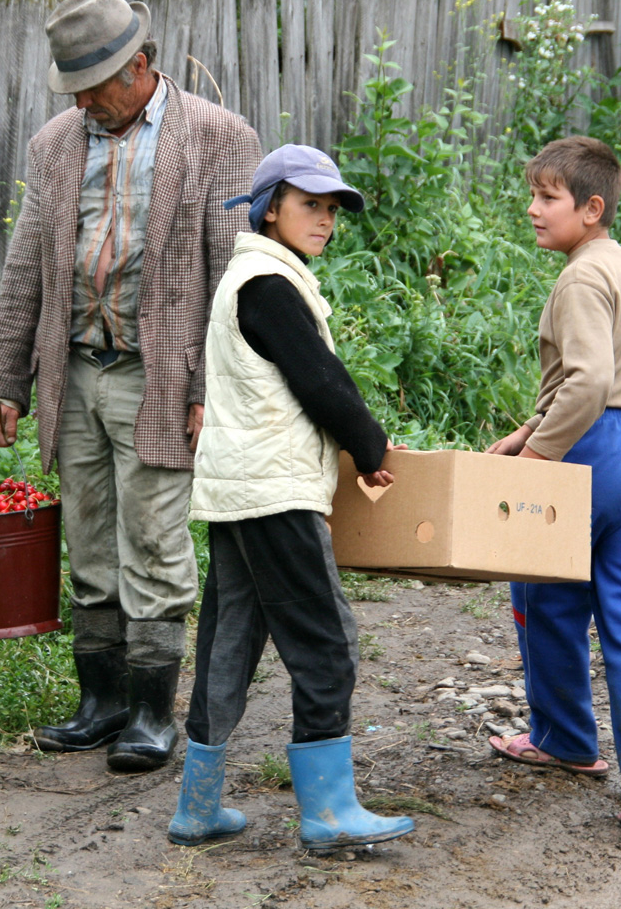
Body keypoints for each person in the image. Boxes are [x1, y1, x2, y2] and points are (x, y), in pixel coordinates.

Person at [0, 0, 261, 772]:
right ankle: (99, 701)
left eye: (97, 86)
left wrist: (211, 386)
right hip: (74, 367)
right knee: (89, 540)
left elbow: (234, 276)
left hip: (159, 371)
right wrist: (5, 377)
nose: (86, 103)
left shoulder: (218, 138)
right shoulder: (55, 144)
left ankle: (149, 710)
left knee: (154, 540)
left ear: (140, 65)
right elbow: (26, 269)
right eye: (74, 90)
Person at [166, 144, 415, 850]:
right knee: (326, 642)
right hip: (275, 491)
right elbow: (321, 382)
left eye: (333, 210)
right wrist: (370, 449)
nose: (326, 220)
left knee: (230, 642)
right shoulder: (269, 285)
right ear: (268, 207)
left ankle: (199, 805)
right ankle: (329, 812)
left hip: (239, 491)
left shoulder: (251, 277)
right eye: (311, 205)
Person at [486, 136, 621, 834]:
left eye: (548, 198)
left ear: (591, 208)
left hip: (593, 453)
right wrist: (523, 432)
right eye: (534, 195)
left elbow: (591, 380)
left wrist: (538, 452)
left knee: (545, 593)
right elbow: (617, 377)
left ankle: (565, 740)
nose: (533, 210)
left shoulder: (577, 277)